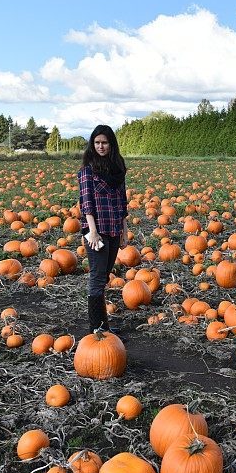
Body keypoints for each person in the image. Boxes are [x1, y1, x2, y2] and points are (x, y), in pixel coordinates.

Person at [78, 125, 128, 333]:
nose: (101, 146)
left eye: (104, 142)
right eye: (97, 142)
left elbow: (122, 201)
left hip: (114, 227)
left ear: (111, 144)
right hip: (95, 231)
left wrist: (124, 229)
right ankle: (97, 329)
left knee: (105, 275)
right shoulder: (87, 170)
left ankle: (102, 326)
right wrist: (93, 231)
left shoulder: (118, 167)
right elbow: (86, 202)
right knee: (98, 277)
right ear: (92, 144)